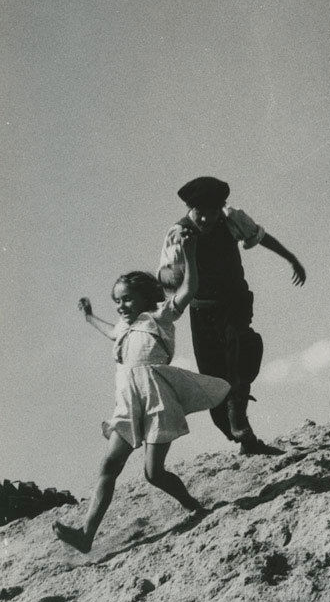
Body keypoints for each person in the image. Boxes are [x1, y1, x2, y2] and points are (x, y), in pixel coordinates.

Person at [53, 233, 229, 553]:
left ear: (148, 298)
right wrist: (89, 314)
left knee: (153, 473)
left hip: (156, 400)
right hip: (127, 405)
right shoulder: (123, 328)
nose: (121, 306)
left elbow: (188, 289)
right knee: (109, 466)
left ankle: (192, 505)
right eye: (117, 301)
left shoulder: (159, 318)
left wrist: (189, 253)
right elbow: (109, 330)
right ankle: (86, 535)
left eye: (128, 299)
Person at [157, 175, 306, 455]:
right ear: (192, 209)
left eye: (212, 212)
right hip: (202, 310)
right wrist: (179, 266)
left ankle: (239, 413)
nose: (206, 220)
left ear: (221, 207)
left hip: (234, 301)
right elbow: (165, 277)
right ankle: (245, 440)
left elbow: (259, 236)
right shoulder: (177, 233)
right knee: (214, 383)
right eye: (201, 213)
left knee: (243, 349)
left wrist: (291, 258)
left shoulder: (231, 218)